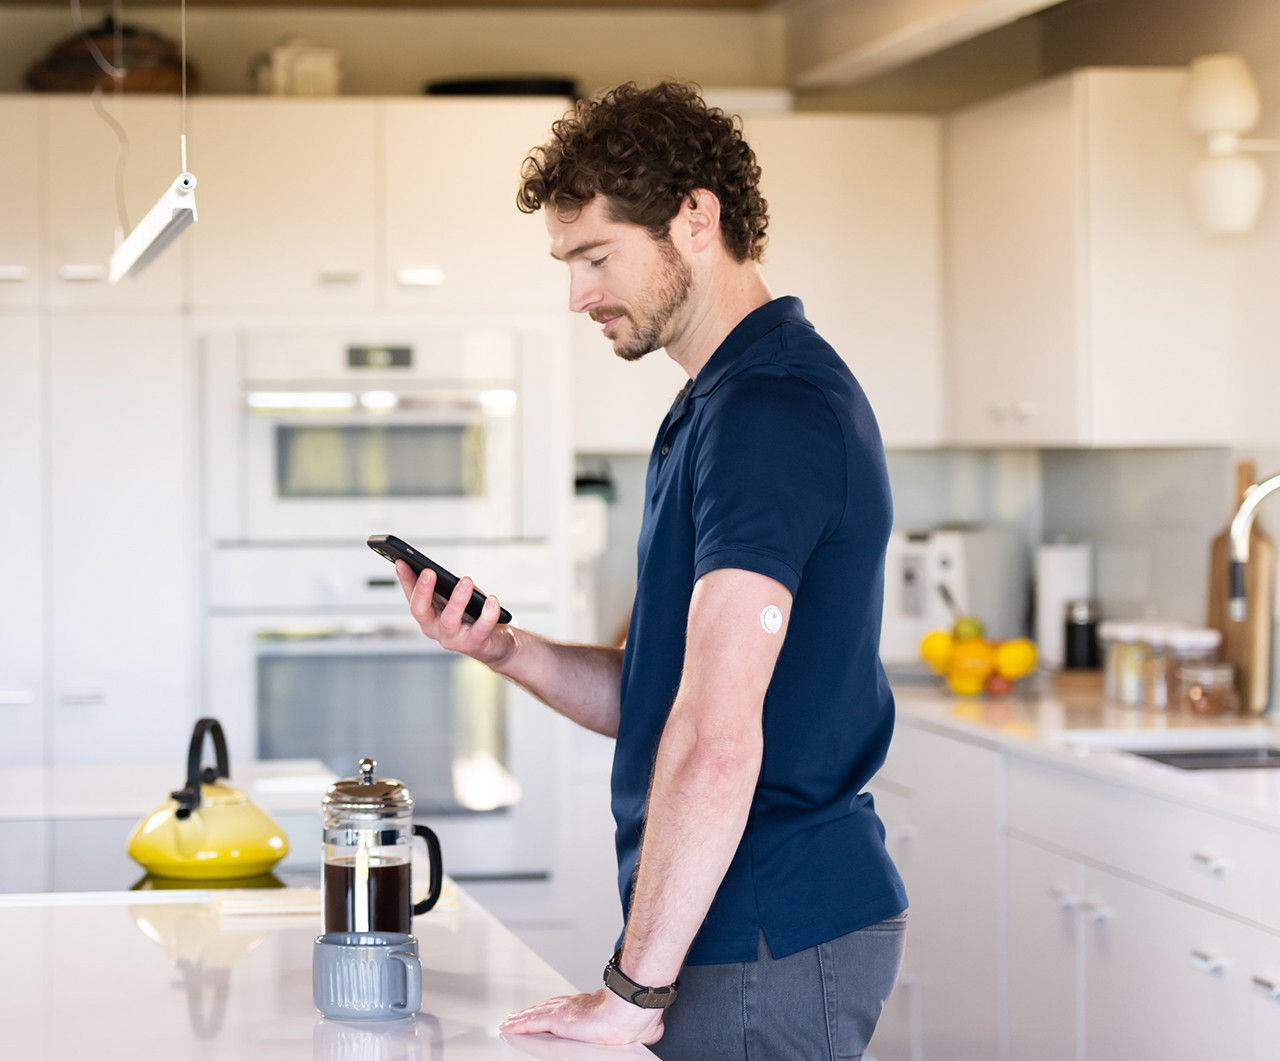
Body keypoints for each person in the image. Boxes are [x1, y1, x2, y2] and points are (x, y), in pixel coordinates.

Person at [396, 80, 907, 1059]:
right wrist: (504, 648)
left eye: (596, 257)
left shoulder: (769, 412)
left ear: (695, 218)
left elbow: (716, 736)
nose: (578, 295)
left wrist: (632, 990)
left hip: (767, 921)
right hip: (731, 919)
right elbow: (656, 696)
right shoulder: (711, 406)